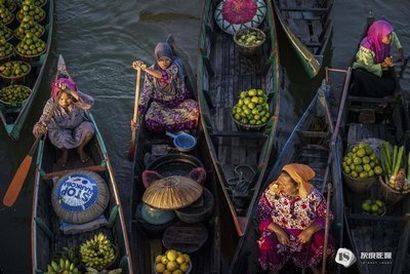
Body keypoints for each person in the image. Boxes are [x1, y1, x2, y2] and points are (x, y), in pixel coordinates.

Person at [256, 163, 335, 274]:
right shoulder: (273, 191)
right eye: (280, 181)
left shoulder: (314, 196)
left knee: (324, 240)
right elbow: (261, 213)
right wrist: (278, 231)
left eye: (285, 184)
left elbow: (327, 217)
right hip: (278, 231)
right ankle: (274, 270)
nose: (279, 185)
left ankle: (313, 265)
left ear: (298, 185)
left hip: (304, 236)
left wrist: (309, 230)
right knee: (266, 243)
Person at [131, 42, 199, 133]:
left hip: (178, 102)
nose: (164, 63)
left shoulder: (175, 67)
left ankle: (172, 128)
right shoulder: (151, 72)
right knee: (149, 121)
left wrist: (144, 69)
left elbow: (164, 76)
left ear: (171, 58)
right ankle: (177, 128)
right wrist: (138, 114)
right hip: (160, 105)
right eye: (161, 60)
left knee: (195, 109)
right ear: (156, 59)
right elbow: (146, 93)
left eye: (167, 59)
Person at [33, 77, 95, 167]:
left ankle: (80, 148)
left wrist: (71, 91)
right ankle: (65, 152)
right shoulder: (51, 103)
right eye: (61, 99)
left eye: (68, 98)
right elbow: (44, 118)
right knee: (62, 138)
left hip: (78, 126)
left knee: (90, 128)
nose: (64, 102)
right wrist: (39, 127)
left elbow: (90, 102)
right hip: (61, 130)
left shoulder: (77, 100)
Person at [351, 19, 405, 98]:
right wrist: (384, 65)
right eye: (388, 36)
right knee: (359, 74)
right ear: (379, 35)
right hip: (365, 70)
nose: (390, 38)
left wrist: (401, 56)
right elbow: (368, 67)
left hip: (378, 67)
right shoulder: (367, 48)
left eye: (390, 34)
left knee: (391, 84)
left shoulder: (388, 37)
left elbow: (397, 42)